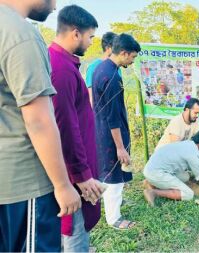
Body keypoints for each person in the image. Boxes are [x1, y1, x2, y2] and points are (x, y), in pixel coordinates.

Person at [0, 0, 81, 251]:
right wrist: (63, 185)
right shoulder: (19, 33)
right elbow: (39, 120)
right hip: (23, 184)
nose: (55, 7)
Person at [49, 5, 102, 252]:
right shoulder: (59, 67)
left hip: (79, 169)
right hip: (73, 177)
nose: (92, 42)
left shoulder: (66, 63)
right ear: (76, 32)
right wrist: (81, 175)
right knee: (74, 234)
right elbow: (65, 127)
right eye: (91, 36)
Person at [93, 33, 141, 230]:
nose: (132, 60)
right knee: (113, 176)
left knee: (113, 173)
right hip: (110, 135)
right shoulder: (111, 77)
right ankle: (114, 218)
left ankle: (115, 205)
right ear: (123, 53)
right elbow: (112, 118)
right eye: (132, 57)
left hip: (103, 131)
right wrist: (120, 147)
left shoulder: (102, 68)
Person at [143, 130, 199, 206]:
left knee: (185, 177)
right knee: (188, 194)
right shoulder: (192, 154)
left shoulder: (187, 144)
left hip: (151, 168)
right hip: (156, 172)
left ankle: (151, 182)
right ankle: (153, 192)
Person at [85, 32, 121, 106]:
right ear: (108, 48)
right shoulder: (93, 67)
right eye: (116, 47)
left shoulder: (117, 67)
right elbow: (91, 97)